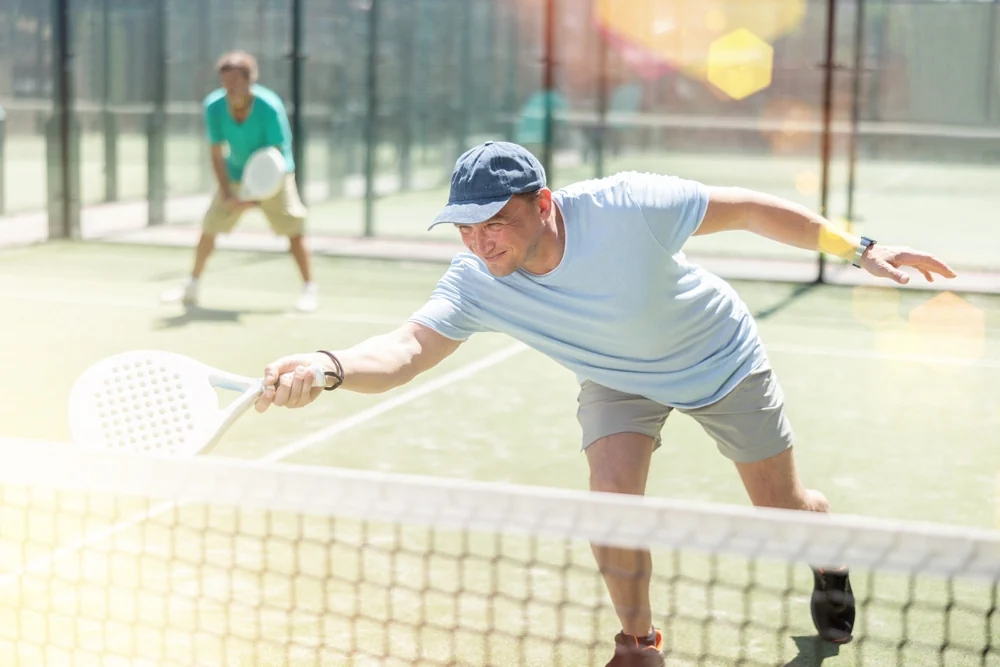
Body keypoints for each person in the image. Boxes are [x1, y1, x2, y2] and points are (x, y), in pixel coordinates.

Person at [253, 141, 956, 665]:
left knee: (781, 511)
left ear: (542, 202)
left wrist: (859, 247)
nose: (478, 240)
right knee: (609, 503)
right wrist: (329, 364)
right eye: (464, 227)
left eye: (492, 221)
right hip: (619, 378)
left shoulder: (625, 206)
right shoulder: (475, 276)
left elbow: (746, 208)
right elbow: (407, 349)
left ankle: (825, 548)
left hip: (717, 357)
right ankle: (639, 641)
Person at [161, 50, 318, 313]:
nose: (230, 87)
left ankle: (309, 288)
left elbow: (275, 156)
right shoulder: (214, 106)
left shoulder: (269, 107)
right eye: (225, 81)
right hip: (235, 175)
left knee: (294, 231)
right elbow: (216, 152)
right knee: (209, 227)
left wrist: (255, 198)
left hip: (275, 175)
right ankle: (191, 284)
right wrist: (226, 193)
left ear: (250, 79)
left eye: (235, 81)